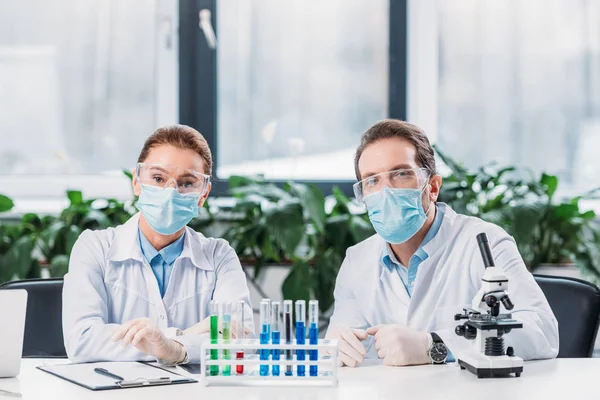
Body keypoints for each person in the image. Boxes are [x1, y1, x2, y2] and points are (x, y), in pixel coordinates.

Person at [326, 119, 559, 367]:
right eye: (372, 181)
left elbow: (542, 331)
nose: (386, 191)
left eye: (401, 174)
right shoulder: (357, 260)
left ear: (433, 187)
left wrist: (434, 345)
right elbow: (347, 348)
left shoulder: (485, 242)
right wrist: (337, 346)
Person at [62, 125, 254, 364]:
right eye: (158, 178)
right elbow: (82, 340)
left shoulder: (219, 256)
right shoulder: (95, 248)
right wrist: (178, 341)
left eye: (186, 183)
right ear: (136, 182)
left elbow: (241, 342)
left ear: (203, 195)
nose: (170, 192)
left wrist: (174, 349)